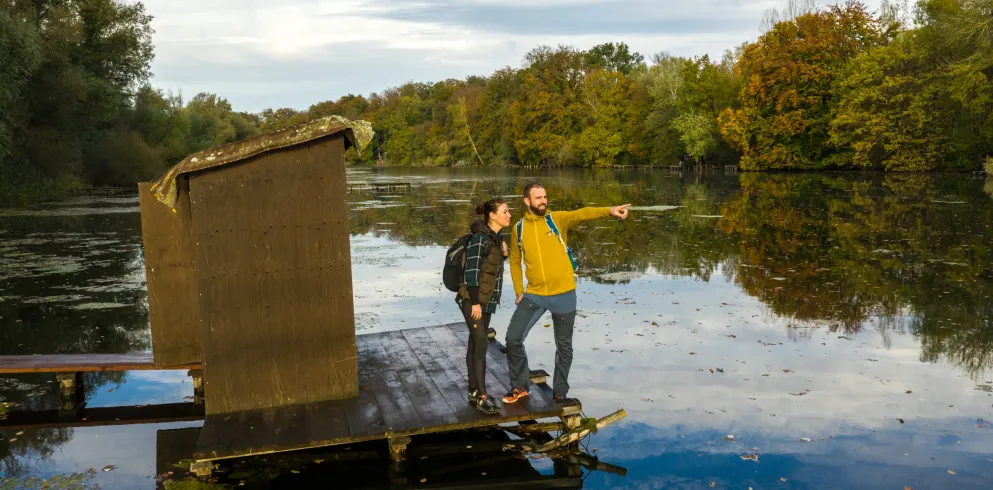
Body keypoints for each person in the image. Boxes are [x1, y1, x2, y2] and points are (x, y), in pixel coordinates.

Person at [502, 183, 630, 404]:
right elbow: (514, 260)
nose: (543, 201)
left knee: (564, 347)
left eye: (545, 196)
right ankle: (520, 386)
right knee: (513, 338)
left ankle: (560, 391)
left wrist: (609, 210)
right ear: (527, 201)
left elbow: (582, 214)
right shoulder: (519, 228)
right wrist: (518, 290)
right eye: (538, 197)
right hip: (534, 294)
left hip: (564, 294)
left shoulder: (557, 219)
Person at [457, 198, 512, 415]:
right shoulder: (480, 239)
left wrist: (504, 254)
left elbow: (489, 268)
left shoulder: (496, 239)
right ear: (492, 215)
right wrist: (476, 303)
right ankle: (482, 396)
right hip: (473, 299)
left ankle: (472, 389)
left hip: (485, 300)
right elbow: (471, 273)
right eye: (505, 212)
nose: (509, 215)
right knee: (480, 344)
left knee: (475, 342)